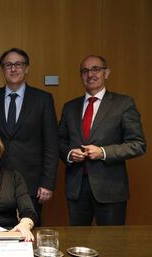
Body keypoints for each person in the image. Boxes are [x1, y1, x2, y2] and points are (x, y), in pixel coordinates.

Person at [0, 48, 58, 226]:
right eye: (8, 65)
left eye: (18, 64)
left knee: (28, 231)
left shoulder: (43, 99)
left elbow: (51, 143)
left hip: (32, 182)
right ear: (2, 69)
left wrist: (47, 182)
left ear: (26, 68)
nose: (13, 69)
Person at [59, 55, 146, 226]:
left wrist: (103, 152)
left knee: (112, 244)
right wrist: (69, 154)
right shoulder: (70, 107)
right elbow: (59, 141)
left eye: (96, 69)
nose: (90, 74)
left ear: (106, 73)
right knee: (78, 243)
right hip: (76, 188)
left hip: (110, 188)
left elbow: (137, 144)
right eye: (85, 70)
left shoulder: (123, 104)